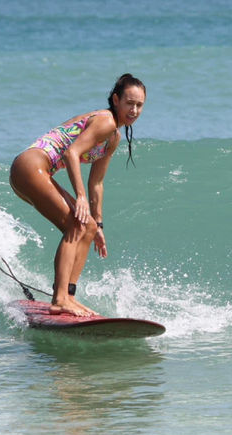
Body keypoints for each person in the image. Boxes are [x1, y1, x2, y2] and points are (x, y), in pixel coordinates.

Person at [9, 73, 146, 317]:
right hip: (31, 166)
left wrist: (99, 223)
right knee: (76, 223)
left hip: (34, 171)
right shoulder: (106, 122)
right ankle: (60, 298)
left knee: (88, 227)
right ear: (116, 100)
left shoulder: (113, 138)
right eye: (129, 103)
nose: (134, 110)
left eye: (139, 105)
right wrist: (79, 197)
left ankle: (68, 297)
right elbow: (71, 153)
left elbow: (97, 182)